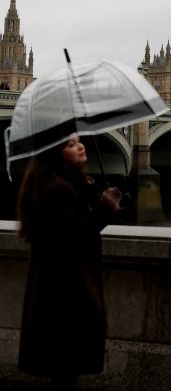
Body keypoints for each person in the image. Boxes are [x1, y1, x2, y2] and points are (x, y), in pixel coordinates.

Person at [16, 133, 122, 387]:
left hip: (55, 287)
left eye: (78, 141)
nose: (80, 145)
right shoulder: (57, 189)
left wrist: (91, 191)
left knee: (63, 368)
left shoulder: (53, 183)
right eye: (70, 144)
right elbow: (71, 239)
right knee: (66, 367)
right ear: (56, 153)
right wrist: (104, 210)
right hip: (66, 290)